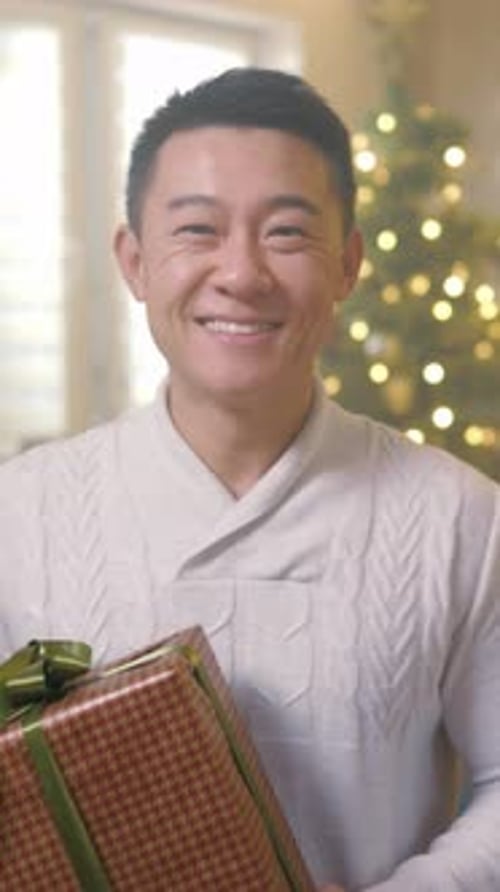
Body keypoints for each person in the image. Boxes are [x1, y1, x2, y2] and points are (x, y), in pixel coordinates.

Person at [0, 67, 499, 891]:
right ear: (134, 261)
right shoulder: (21, 510)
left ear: (348, 265)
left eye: (287, 234)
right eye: (197, 230)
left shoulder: (460, 520)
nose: (241, 273)